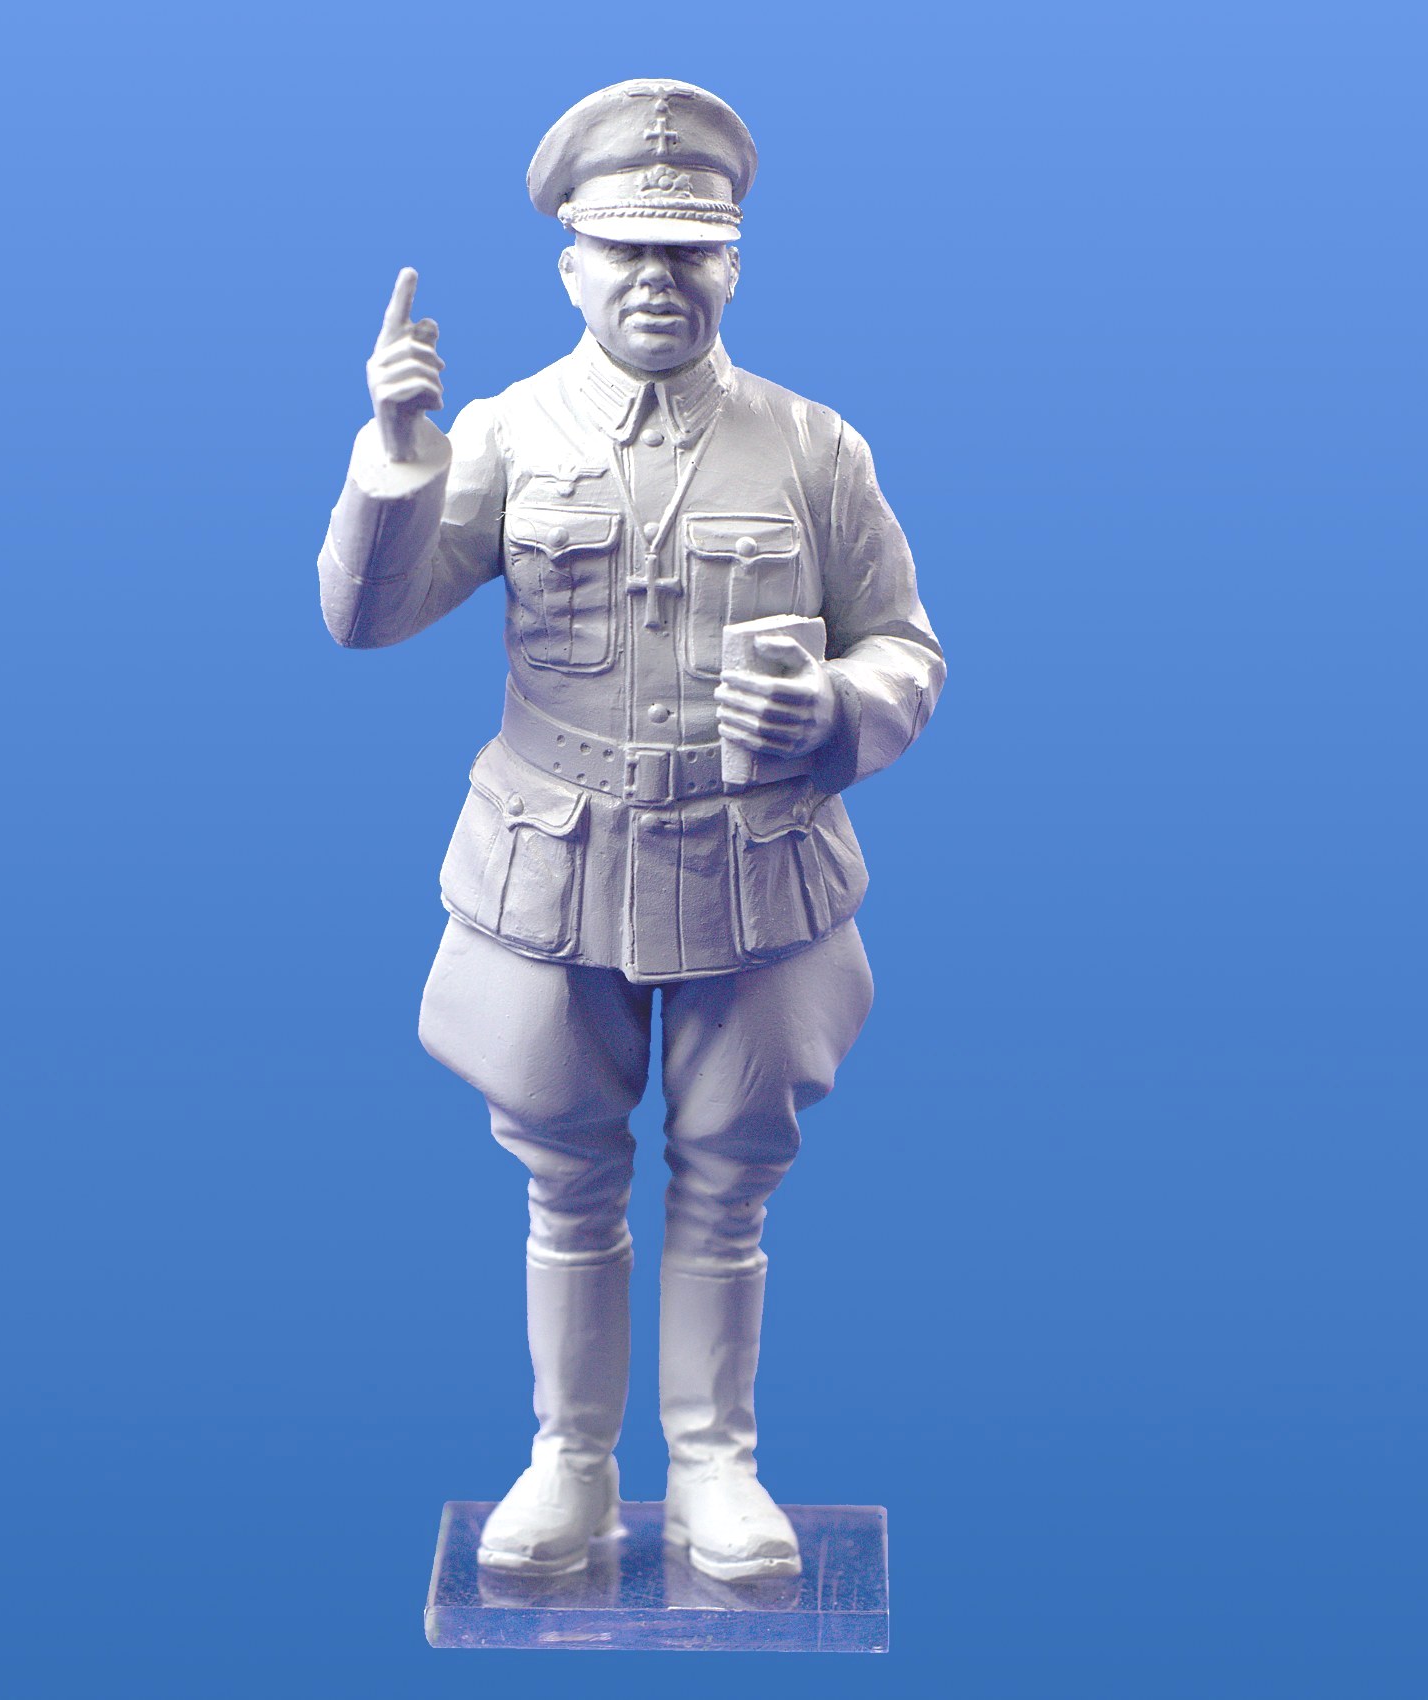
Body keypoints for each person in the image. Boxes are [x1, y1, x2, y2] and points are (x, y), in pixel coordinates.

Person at [317, 79, 943, 1582]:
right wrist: (394, 455)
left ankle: (716, 1463)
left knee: (732, 1170)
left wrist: (836, 713)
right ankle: (572, 1460)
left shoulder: (813, 447)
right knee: (565, 1171)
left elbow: (909, 649)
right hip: (560, 862)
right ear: (571, 267)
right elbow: (365, 619)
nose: (658, 279)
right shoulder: (504, 434)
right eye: (625, 250)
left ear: (733, 264)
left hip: (753, 865)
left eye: (690, 251)